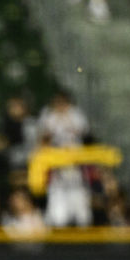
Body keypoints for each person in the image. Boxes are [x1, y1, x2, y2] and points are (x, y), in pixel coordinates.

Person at [37, 90, 91, 228]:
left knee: (82, 215)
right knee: (58, 216)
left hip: (76, 168)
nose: (60, 105)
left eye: (63, 102)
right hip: (57, 169)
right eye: (57, 102)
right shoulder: (48, 115)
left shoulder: (76, 114)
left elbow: (84, 133)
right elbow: (43, 139)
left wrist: (66, 120)